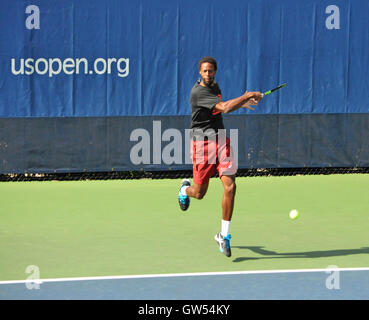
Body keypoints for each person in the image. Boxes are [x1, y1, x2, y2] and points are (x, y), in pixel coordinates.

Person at [178, 56, 263, 257]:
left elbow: (220, 108)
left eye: (211, 71)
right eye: (205, 71)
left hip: (221, 141)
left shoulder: (215, 86)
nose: (208, 74)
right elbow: (224, 107)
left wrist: (240, 104)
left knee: (230, 186)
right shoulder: (197, 92)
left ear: (215, 71)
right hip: (202, 145)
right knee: (199, 193)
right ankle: (184, 189)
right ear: (199, 72)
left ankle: (224, 236)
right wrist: (246, 96)